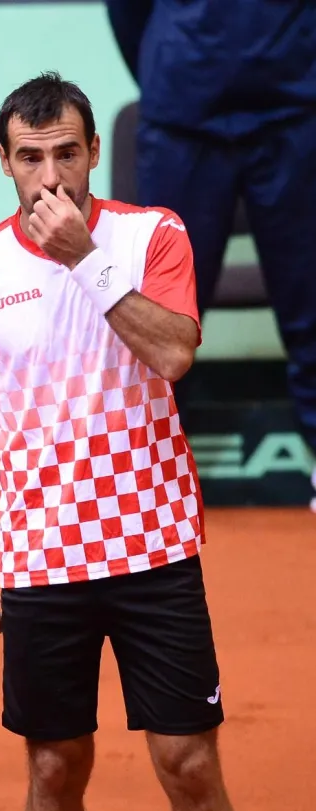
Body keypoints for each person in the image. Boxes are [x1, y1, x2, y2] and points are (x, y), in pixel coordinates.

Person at [0, 73, 275, 811]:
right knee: (52, 767)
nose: (51, 173)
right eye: (30, 156)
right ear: (4, 161)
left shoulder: (149, 235)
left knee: (188, 763)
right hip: (40, 561)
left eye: (67, 153)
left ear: (93, 154)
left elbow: (172, 354)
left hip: (155, 549)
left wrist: (85, 260)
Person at [106, 0, 316, 504]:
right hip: (182, 113)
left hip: (295, 107)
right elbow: (126, 10)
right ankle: (147, 472)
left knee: (311, 297)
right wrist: (170, 73)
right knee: (156, 306)